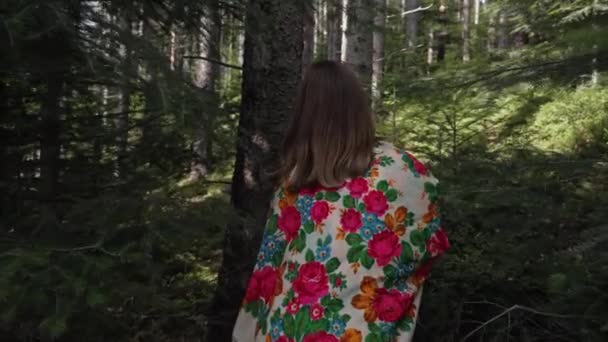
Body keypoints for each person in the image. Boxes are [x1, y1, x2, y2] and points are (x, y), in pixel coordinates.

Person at [232, 61, 449, 342]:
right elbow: (431, 242)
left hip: (286, 332)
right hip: (360, 332)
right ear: (359, 108)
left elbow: (268, 269)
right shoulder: (403, 171)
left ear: (305, 115)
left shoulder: (294, 182)